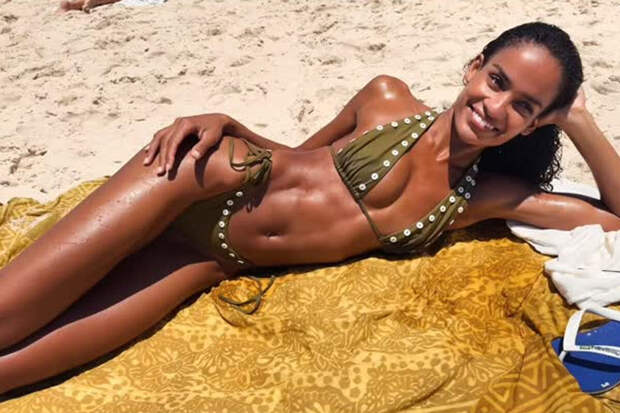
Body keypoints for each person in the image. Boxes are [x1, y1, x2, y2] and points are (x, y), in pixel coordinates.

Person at [1, 22, 619, 394]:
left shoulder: (481, 198)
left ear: (536, 124)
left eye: (525, 107)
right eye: (497, 81)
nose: (496, 108)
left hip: (208, 261)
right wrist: (228, 122)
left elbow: (614, 219)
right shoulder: (386, 98)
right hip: (198, 180)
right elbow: (297, 160)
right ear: (474, 67)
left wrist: (581, 122)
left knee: (16, 371)